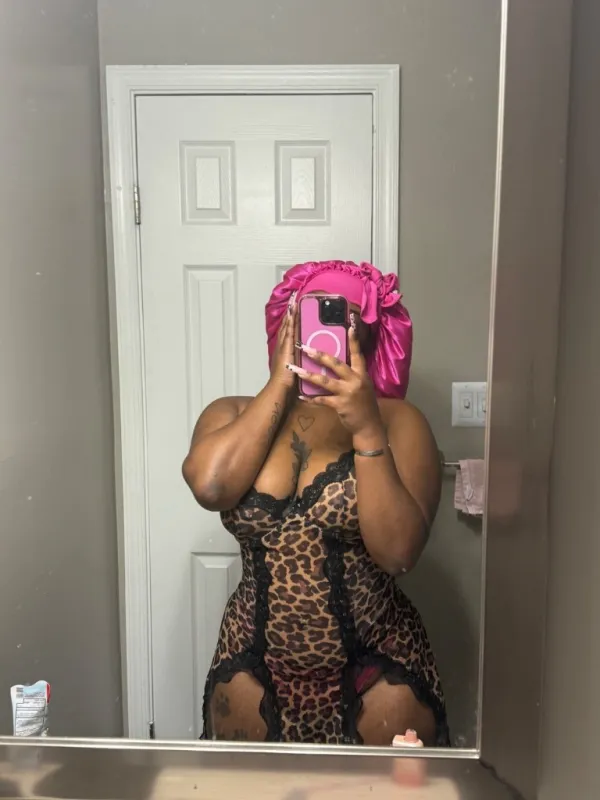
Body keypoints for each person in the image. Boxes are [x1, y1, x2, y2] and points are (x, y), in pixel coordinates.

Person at [182, 260, 449, 746]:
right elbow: (211, 486)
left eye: (347, 318)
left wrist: (366, 428)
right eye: (312, 314)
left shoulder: (398, 421)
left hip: (378, 670)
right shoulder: (233, 411)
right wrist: (281, 383)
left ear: (369, 334)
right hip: (251, 665)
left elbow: (398, 553)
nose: (325, 333)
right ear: (289, 323)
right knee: (246, 785)